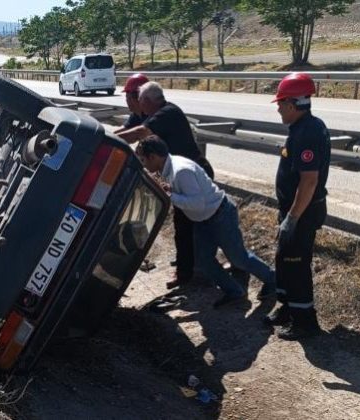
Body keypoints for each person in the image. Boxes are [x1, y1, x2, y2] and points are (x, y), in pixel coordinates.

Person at [135, 136, 276, 308]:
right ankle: (234, 291)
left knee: (239, 258)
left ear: (153, 157)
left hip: (219, 215)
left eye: (143, 159)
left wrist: (169, 196)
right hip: (203, 220)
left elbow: (197, 203)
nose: (143, 165)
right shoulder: (168, 169)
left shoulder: (181, 171)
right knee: (203, 260)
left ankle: (273, 280)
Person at [117, 81, 218, 290]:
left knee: (193, 223)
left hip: (193, 173)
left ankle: (187, 273)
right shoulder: (154, 112)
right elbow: (130, 129)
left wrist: (107, 141)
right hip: (183, 175)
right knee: (192, 223)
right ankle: (196, 265)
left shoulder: (167, 113)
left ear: (146, 101)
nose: (139, 107)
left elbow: (140, 133)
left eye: (140, 102)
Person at [265, 73, 330, 340]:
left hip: (302, 212)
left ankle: (305, 323)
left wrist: (292, 218)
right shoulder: (301, 128)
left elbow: (309, 180)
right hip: (293, 209)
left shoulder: (308, 132)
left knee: (296, 262)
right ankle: (287, 307)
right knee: (284, 257)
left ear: (292, 104)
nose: (278, 108)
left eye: (281, 103)